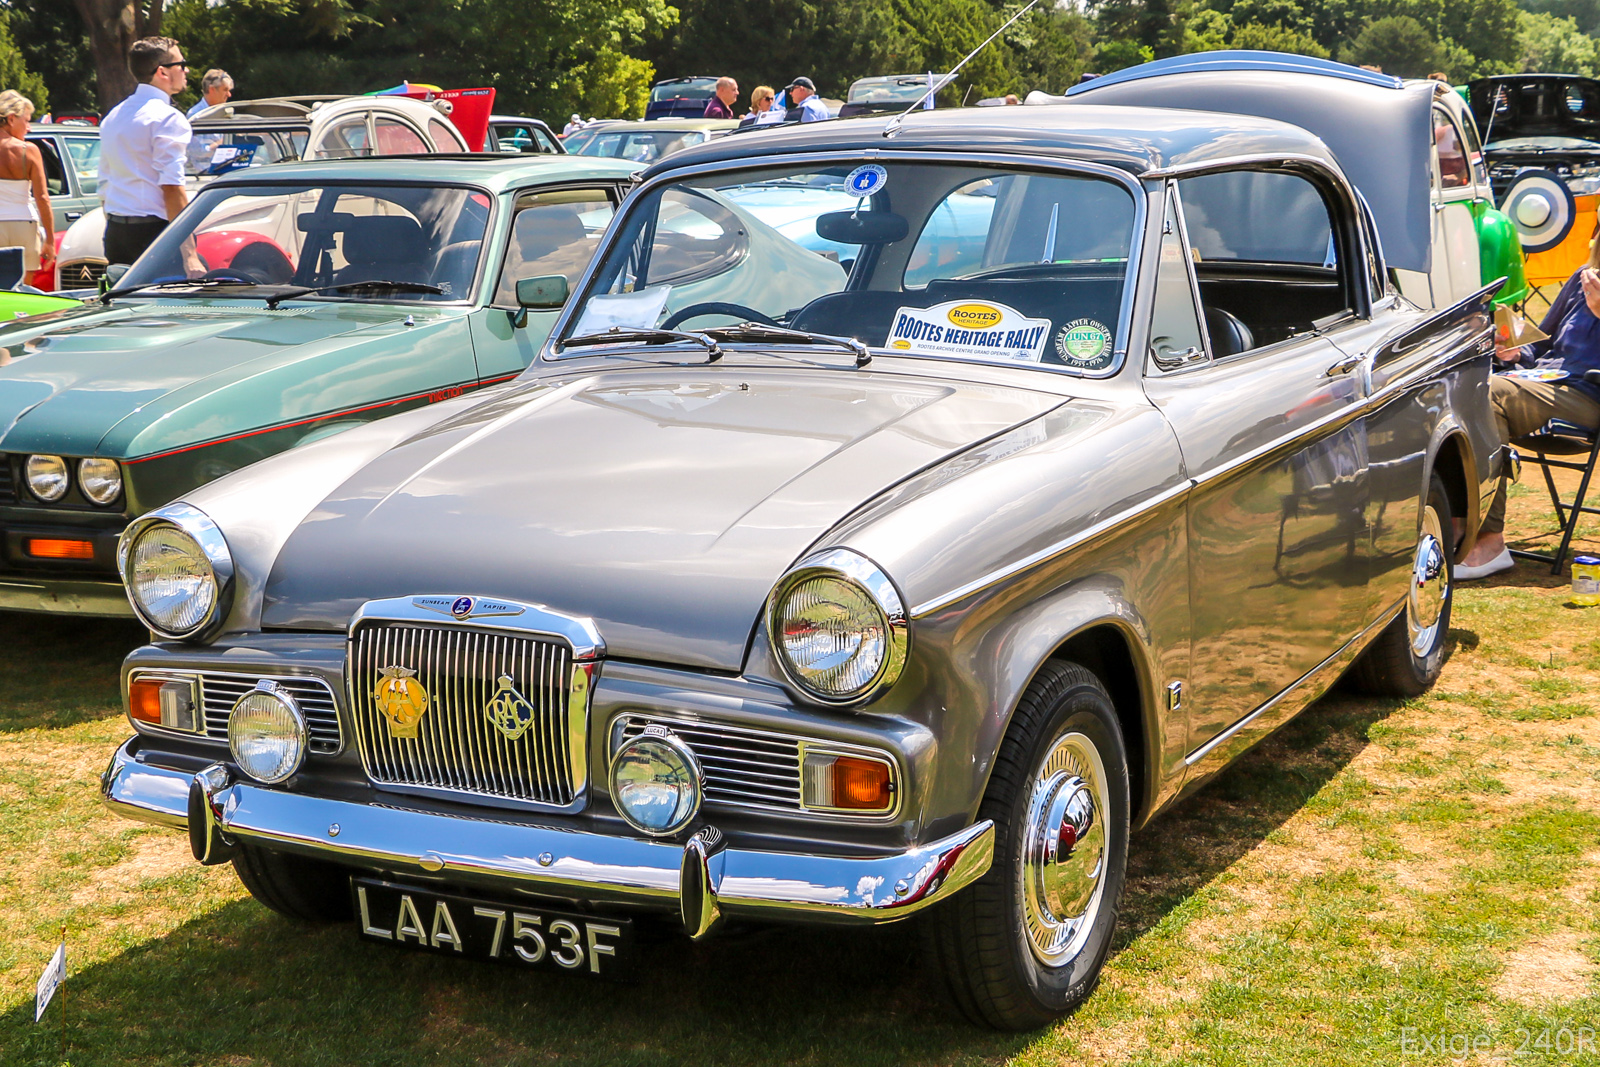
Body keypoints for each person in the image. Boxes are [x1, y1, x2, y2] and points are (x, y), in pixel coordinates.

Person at [1456, 260, 1600, 579]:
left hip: (1588, 396)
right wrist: (1515, 351)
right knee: (1463, 384)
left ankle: (1488, 540)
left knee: (1488, 392)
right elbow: (1542, 343)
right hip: (1543, 383)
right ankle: (1459, 528)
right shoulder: (1583, 276)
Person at [98, 36, 193, 266]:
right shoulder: (168, 118)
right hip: (153, 233)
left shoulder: (114, 115)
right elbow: (171, 188)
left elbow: (104, 181)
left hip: (115, 231)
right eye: (181, 64)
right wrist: (191, 255)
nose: (186, 70)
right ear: (162, 72)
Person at [0, 90, 54, 279]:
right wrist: (50, 241)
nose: (28, 128)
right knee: (24, 290)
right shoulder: (29, 151)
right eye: (26, 120)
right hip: (24, 224)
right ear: (12, 119)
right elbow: (43, 198)